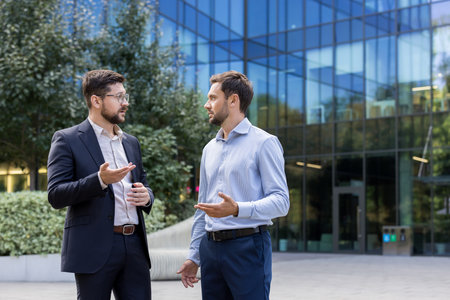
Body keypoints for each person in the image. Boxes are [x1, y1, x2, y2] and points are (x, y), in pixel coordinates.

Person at [177, 70, 290, 299]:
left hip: (248, 247)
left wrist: (237, 208)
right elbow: (202, 209)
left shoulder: (264, 143)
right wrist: (194, 256)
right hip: (210, 248)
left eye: (212, 98)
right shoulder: (209, 149)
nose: (206, 105)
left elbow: (281, 202)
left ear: (233, 100)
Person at [47, 70, 153, 300]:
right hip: (93, 249)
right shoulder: (68, 139)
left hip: (135, 245)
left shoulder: (131, 142)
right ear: (96, 100)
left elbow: (143, 183)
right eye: (118, 97)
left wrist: (147, 197)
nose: (125, 103)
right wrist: (100, 181)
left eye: (125, 96)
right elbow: (56, 194)